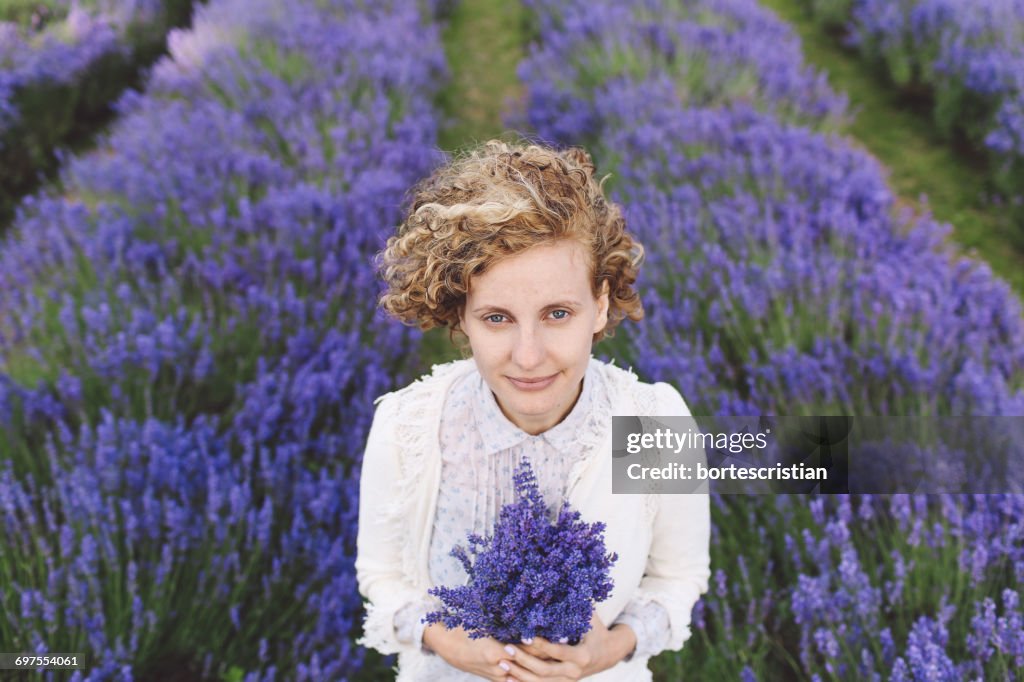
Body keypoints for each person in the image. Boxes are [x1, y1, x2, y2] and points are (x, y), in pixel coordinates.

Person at [355, 140, 710, 681]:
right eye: (497, 318)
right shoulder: (409, 426)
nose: (528, 356)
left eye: (557, 313)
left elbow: (677, 579)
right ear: (462, 318)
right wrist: (446, 642)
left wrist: (606, 652)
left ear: (602, 305)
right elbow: (381, 579)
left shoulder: (652, 423)